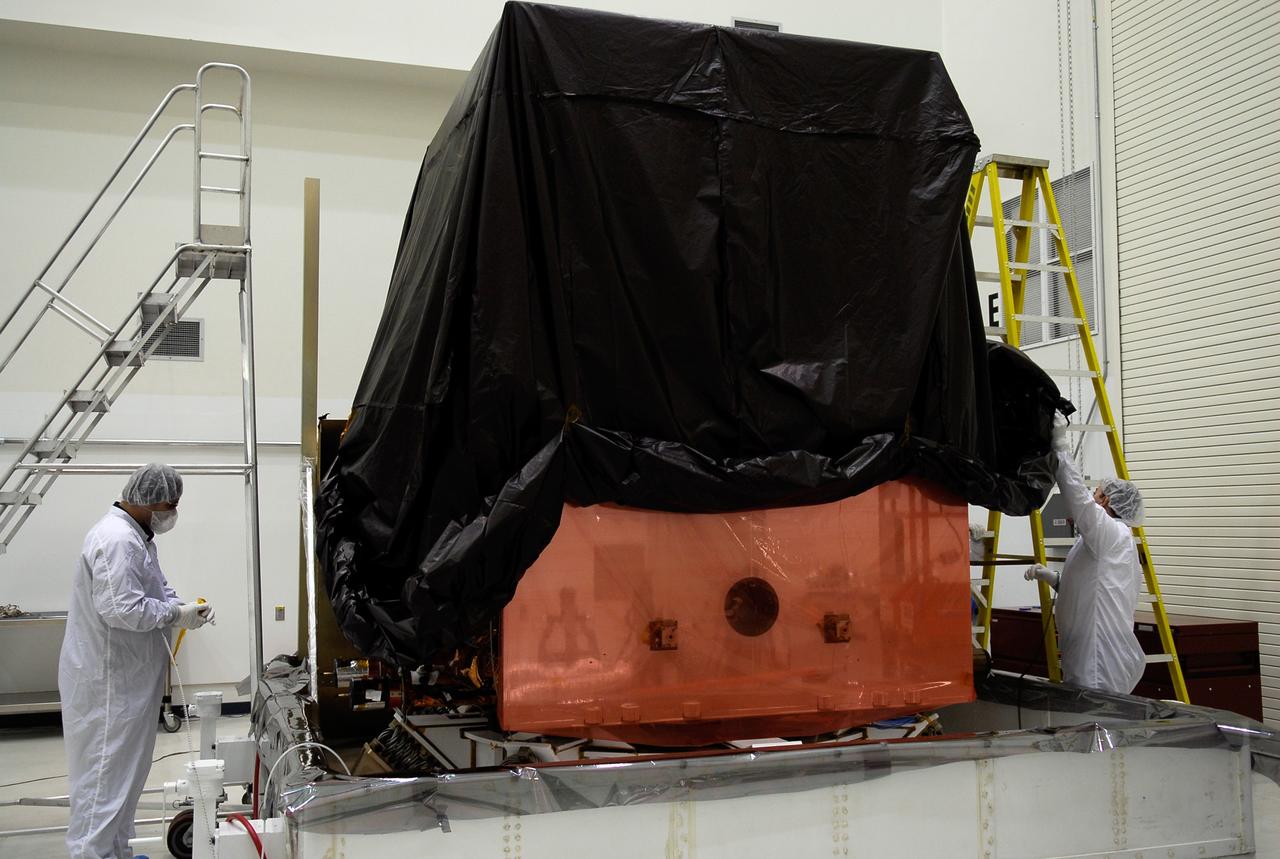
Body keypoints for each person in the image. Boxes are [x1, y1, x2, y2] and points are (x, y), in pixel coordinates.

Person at [59, 464, 215, 858]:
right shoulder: (117, 540)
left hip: (127, 681)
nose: (173, 512)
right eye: (170, 504)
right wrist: (173, 615)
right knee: (102, 781)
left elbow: (156, 588)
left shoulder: (138, 538)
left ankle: (116, 852)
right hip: (108, 684)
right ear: (146, 499)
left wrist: (182, 607)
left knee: (123, 778)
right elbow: (121, 609)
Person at [1024, 421, 1146, 695]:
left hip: (1099, 661)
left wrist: (1061, 446)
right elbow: (1093, 588)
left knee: (1094, 726)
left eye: (1099, 494)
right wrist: (1055, 579)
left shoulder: (1111, 534)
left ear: (1108, 503)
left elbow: (1078, 500)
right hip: (1090, 653)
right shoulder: (1104, 542)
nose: (1094, 496)